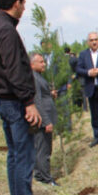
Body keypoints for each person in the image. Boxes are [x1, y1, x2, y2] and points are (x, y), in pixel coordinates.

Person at [0, 0, 56, 195]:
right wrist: (28, 103)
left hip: (5, 102)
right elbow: (14, 70)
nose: (24, 8)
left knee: (15, 156)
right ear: (16, 4)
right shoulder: (6, 31)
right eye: (24, 4)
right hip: (15, 103)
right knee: (23, 157)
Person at [31, 53, 58, 187]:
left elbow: (43, 96)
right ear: (32, 64)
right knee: (44, 150)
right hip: (43, 119)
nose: (44, 64)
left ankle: (40, 174)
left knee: (40, 149)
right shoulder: (34, 78)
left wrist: (50, 94)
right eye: (41, 62)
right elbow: (38, 101)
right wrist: (47, 122)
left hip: (44, 117)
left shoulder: (38, 77)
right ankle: (46, 178)